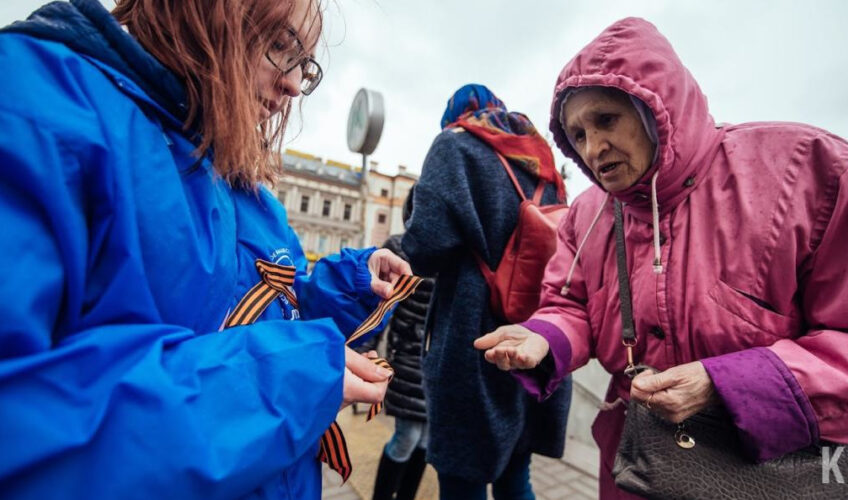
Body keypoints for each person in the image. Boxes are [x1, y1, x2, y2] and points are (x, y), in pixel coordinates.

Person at [0, 1, 410, 499]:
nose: (295, 85)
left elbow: (263, 306)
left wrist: (349, 282)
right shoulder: (32, 103)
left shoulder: (244, 180)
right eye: (280, 47)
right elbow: (22, 433)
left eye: (306, 65)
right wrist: (279, 381)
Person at [474, 17, 848, 499]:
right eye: (578, 134)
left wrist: (727, 384)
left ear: (658, 109)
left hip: (792, 476)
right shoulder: (586, 213)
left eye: (606, 119)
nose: (593, 147)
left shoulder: (811, 172)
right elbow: (572, 305)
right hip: (646, 472)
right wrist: (544, 337)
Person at [401, 84, 572, 500]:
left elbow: (425, 249)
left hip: (473, 344)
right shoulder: (539, 157)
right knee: (517, 476)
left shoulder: (454, 145)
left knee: (464, 480)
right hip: (536, 335)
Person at [367, 187, 434, 500]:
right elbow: (379, 308)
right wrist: (368, 353)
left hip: (437, 361)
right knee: (407, 436)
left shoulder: (450, 254)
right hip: (407, 357)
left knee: (425, 441)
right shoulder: (397, 247)